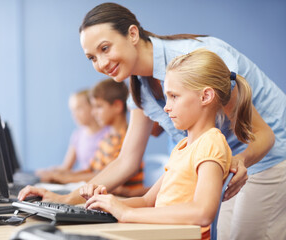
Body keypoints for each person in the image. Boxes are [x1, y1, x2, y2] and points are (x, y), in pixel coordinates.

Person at [20, 3, 286, 239]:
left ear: (132, 34)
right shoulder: (139, 90)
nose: (101, 63)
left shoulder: (199, 60)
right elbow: (126, 161)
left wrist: (238, 161)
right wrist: (68, 200)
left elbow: (263, 134)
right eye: (92, 58)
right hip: (222, 166)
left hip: (267, 157)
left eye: (105, 48)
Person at [81, 48, 254, 240]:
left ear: (205, 96)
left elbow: (203, 212)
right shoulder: (182, 147)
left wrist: (126, 213)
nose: (166, 106)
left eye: (174, 96)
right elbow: (147, 201)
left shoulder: (211, 143)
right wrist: (107, 203)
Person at [19, 78, 147, 198]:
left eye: (99, 107)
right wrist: (60, 175)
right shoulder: (108, 138)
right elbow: (91, 170)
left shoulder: (125, 139)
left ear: (117, 107)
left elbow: (103, 177)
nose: (94, 112)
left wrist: (62, 178)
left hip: (120, 198)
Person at [35, 89, 109, 182]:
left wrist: (59, 177)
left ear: (92, 107)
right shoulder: (77, 135)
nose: (74, 115)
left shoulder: (109, 134)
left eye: (79, 108)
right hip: (81, 181)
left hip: (94, 181)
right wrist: (49, 172)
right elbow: (66, 167)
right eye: (73, 110)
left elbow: (104, 173)